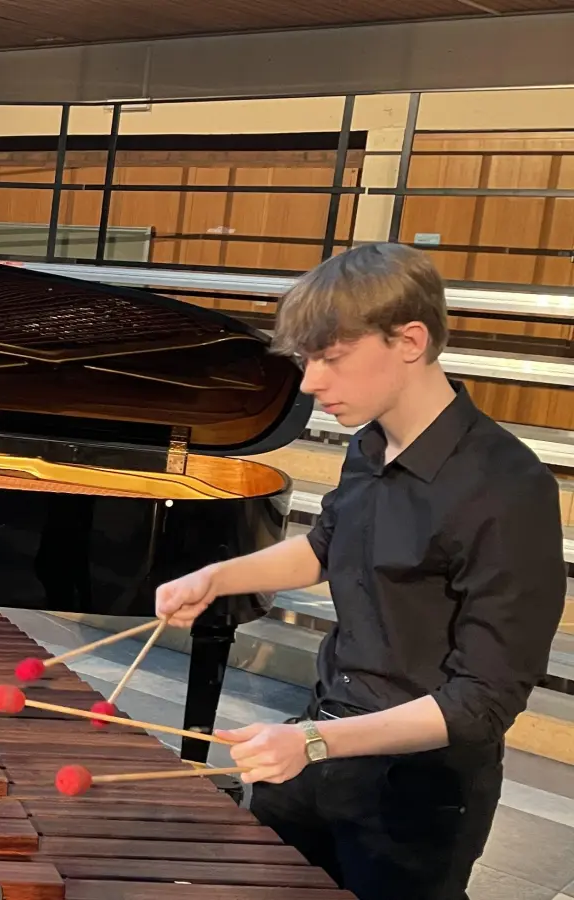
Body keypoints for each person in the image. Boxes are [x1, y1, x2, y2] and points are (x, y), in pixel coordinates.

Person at [154, 242, 565, 899]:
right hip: (323, 745)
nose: (309, 382)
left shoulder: (508, 488)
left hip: (415, 796)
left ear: (410, 341)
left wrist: (314, 743)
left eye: (331, 357)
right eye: (308, 359)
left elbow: (481, 703)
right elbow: (327, 546)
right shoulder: (370, 444)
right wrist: (215, 578)